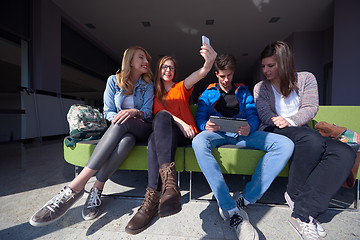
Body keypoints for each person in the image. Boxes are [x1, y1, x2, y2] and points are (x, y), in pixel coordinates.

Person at [29, 46, 154, 227]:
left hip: (141, 128)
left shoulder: (147, 85)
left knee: (123, 121)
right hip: (123, 132)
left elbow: (148, 113)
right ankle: (97, 189)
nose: (146, 62)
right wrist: (119, 118)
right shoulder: (114, 81)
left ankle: (75, 186)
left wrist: (134, 112)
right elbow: (108, 112)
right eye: (141, 57)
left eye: (147, 59)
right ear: (130, 61)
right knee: (126, 141)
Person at [254, 41, 355, 240]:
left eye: (271, 66)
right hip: (274, 130)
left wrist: (290, 120)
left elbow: (310, 107)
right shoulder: (261, 87)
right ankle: (294, 194)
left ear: (283, 63)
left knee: (344, 152)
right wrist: (280, 121)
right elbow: (264, 113)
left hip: (302, 130)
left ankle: (303, 212)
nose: (265, 70)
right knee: (310, 139)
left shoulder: (306, 78)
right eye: (263, 66)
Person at [192, 53, 294, 240]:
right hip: (217, 134)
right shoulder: (207, 93)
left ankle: (246, 198)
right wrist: (204, 125)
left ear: (233, 73)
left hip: (242, 133)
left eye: (229, 75)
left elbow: (253, 114)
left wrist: (250, 126)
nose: (226, 79)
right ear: (216, 74)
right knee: (198, 141)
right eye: (222, 76)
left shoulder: (243, 91)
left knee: (285, 144)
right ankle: (227, 204)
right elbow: (200, 117)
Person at [125, 43, 217, 234]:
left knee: (161, 121)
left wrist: (208, 64)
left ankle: (164, 190)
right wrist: (177, 120)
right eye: (164, 67)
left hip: (184, 134)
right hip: (164, 135)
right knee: (154, 137)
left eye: (171, 67)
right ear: (159, 70)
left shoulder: (181, 87)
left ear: (175, 72)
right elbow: (160, 115)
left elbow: (200, 73)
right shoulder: (152, 92)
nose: (168, 70)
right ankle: (156, 196)